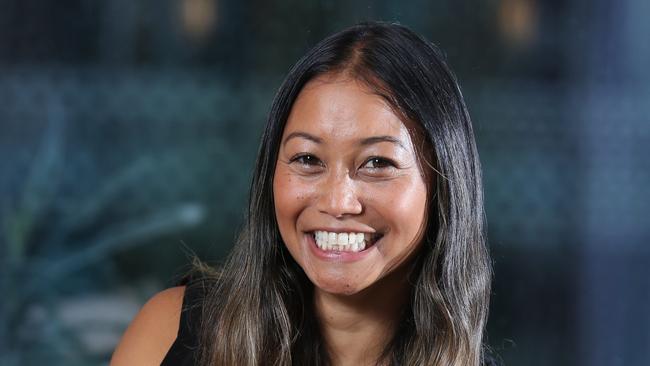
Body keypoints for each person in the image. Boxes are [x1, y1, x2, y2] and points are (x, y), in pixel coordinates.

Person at [111, 21, 495, 366]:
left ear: (443, 184)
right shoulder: (167, 335)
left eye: (377, 163)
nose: (337, 201)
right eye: (308, 158)